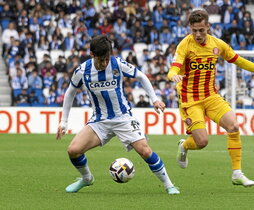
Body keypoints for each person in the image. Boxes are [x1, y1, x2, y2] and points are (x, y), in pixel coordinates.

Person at [56, 35, 179, 195]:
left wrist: (154, 99)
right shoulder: (82, 71)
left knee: (145, 151)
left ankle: (169, 185)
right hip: (99, 121)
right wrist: (64, 122)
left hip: (123, 118)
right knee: (73, 150)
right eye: (101, 60)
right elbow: (70, 92)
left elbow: (141, 76)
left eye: (107, 58)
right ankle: (87, 179)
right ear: (92, 55)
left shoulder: (117, 64)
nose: (105, 63)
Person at [167, 8, 254, 187]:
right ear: (190, 28)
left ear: (208, 26)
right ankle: (184, 146)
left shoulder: (217, 45)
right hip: (190, 99)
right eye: (194, 30)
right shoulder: (185, 44)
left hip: (211, 96)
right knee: (202, 142)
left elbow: (237, 59)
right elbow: (174, 67)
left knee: (234, 125)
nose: (198, 34)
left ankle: (237, 173)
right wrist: (173, 75)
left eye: (201, 30)